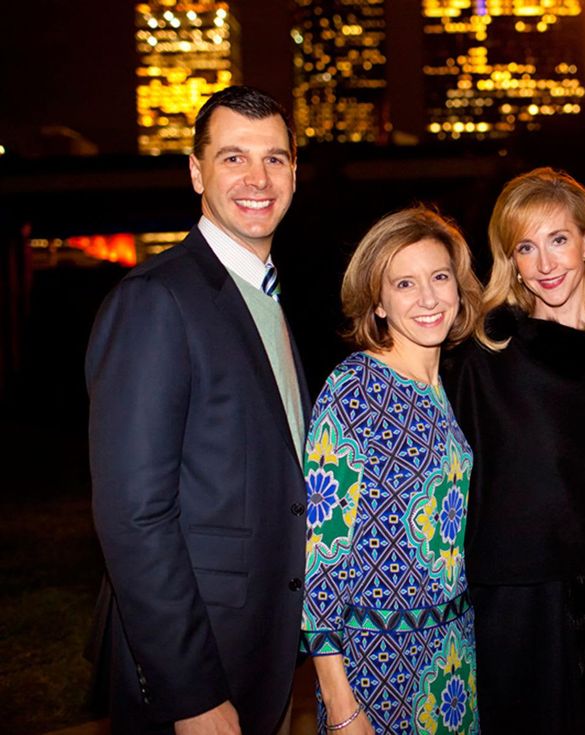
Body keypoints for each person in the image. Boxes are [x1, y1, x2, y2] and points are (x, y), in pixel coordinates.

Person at [86, 85, 309, 734]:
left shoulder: (263, 294)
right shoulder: (157, 299)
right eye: (233, 157)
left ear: (294, 172)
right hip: (198, 667)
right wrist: (191, 693)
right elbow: (134, 515)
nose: (258, 179)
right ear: (195, 171)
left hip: (261, 652)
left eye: (274, 158)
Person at [443, 167, 585, 734]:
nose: (544, 264)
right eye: (526, 247)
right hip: (524, 610)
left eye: (558, 239)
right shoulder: (485, 360)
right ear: (511, 260)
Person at [301, 206, 483, 733]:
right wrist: (339, 702)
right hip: (378, 663)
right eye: (405, 283)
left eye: (440, 277)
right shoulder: (355, 389)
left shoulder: (449, 384)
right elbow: (322, 556)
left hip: (452, 656)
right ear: (378, 302)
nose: (428, 298)